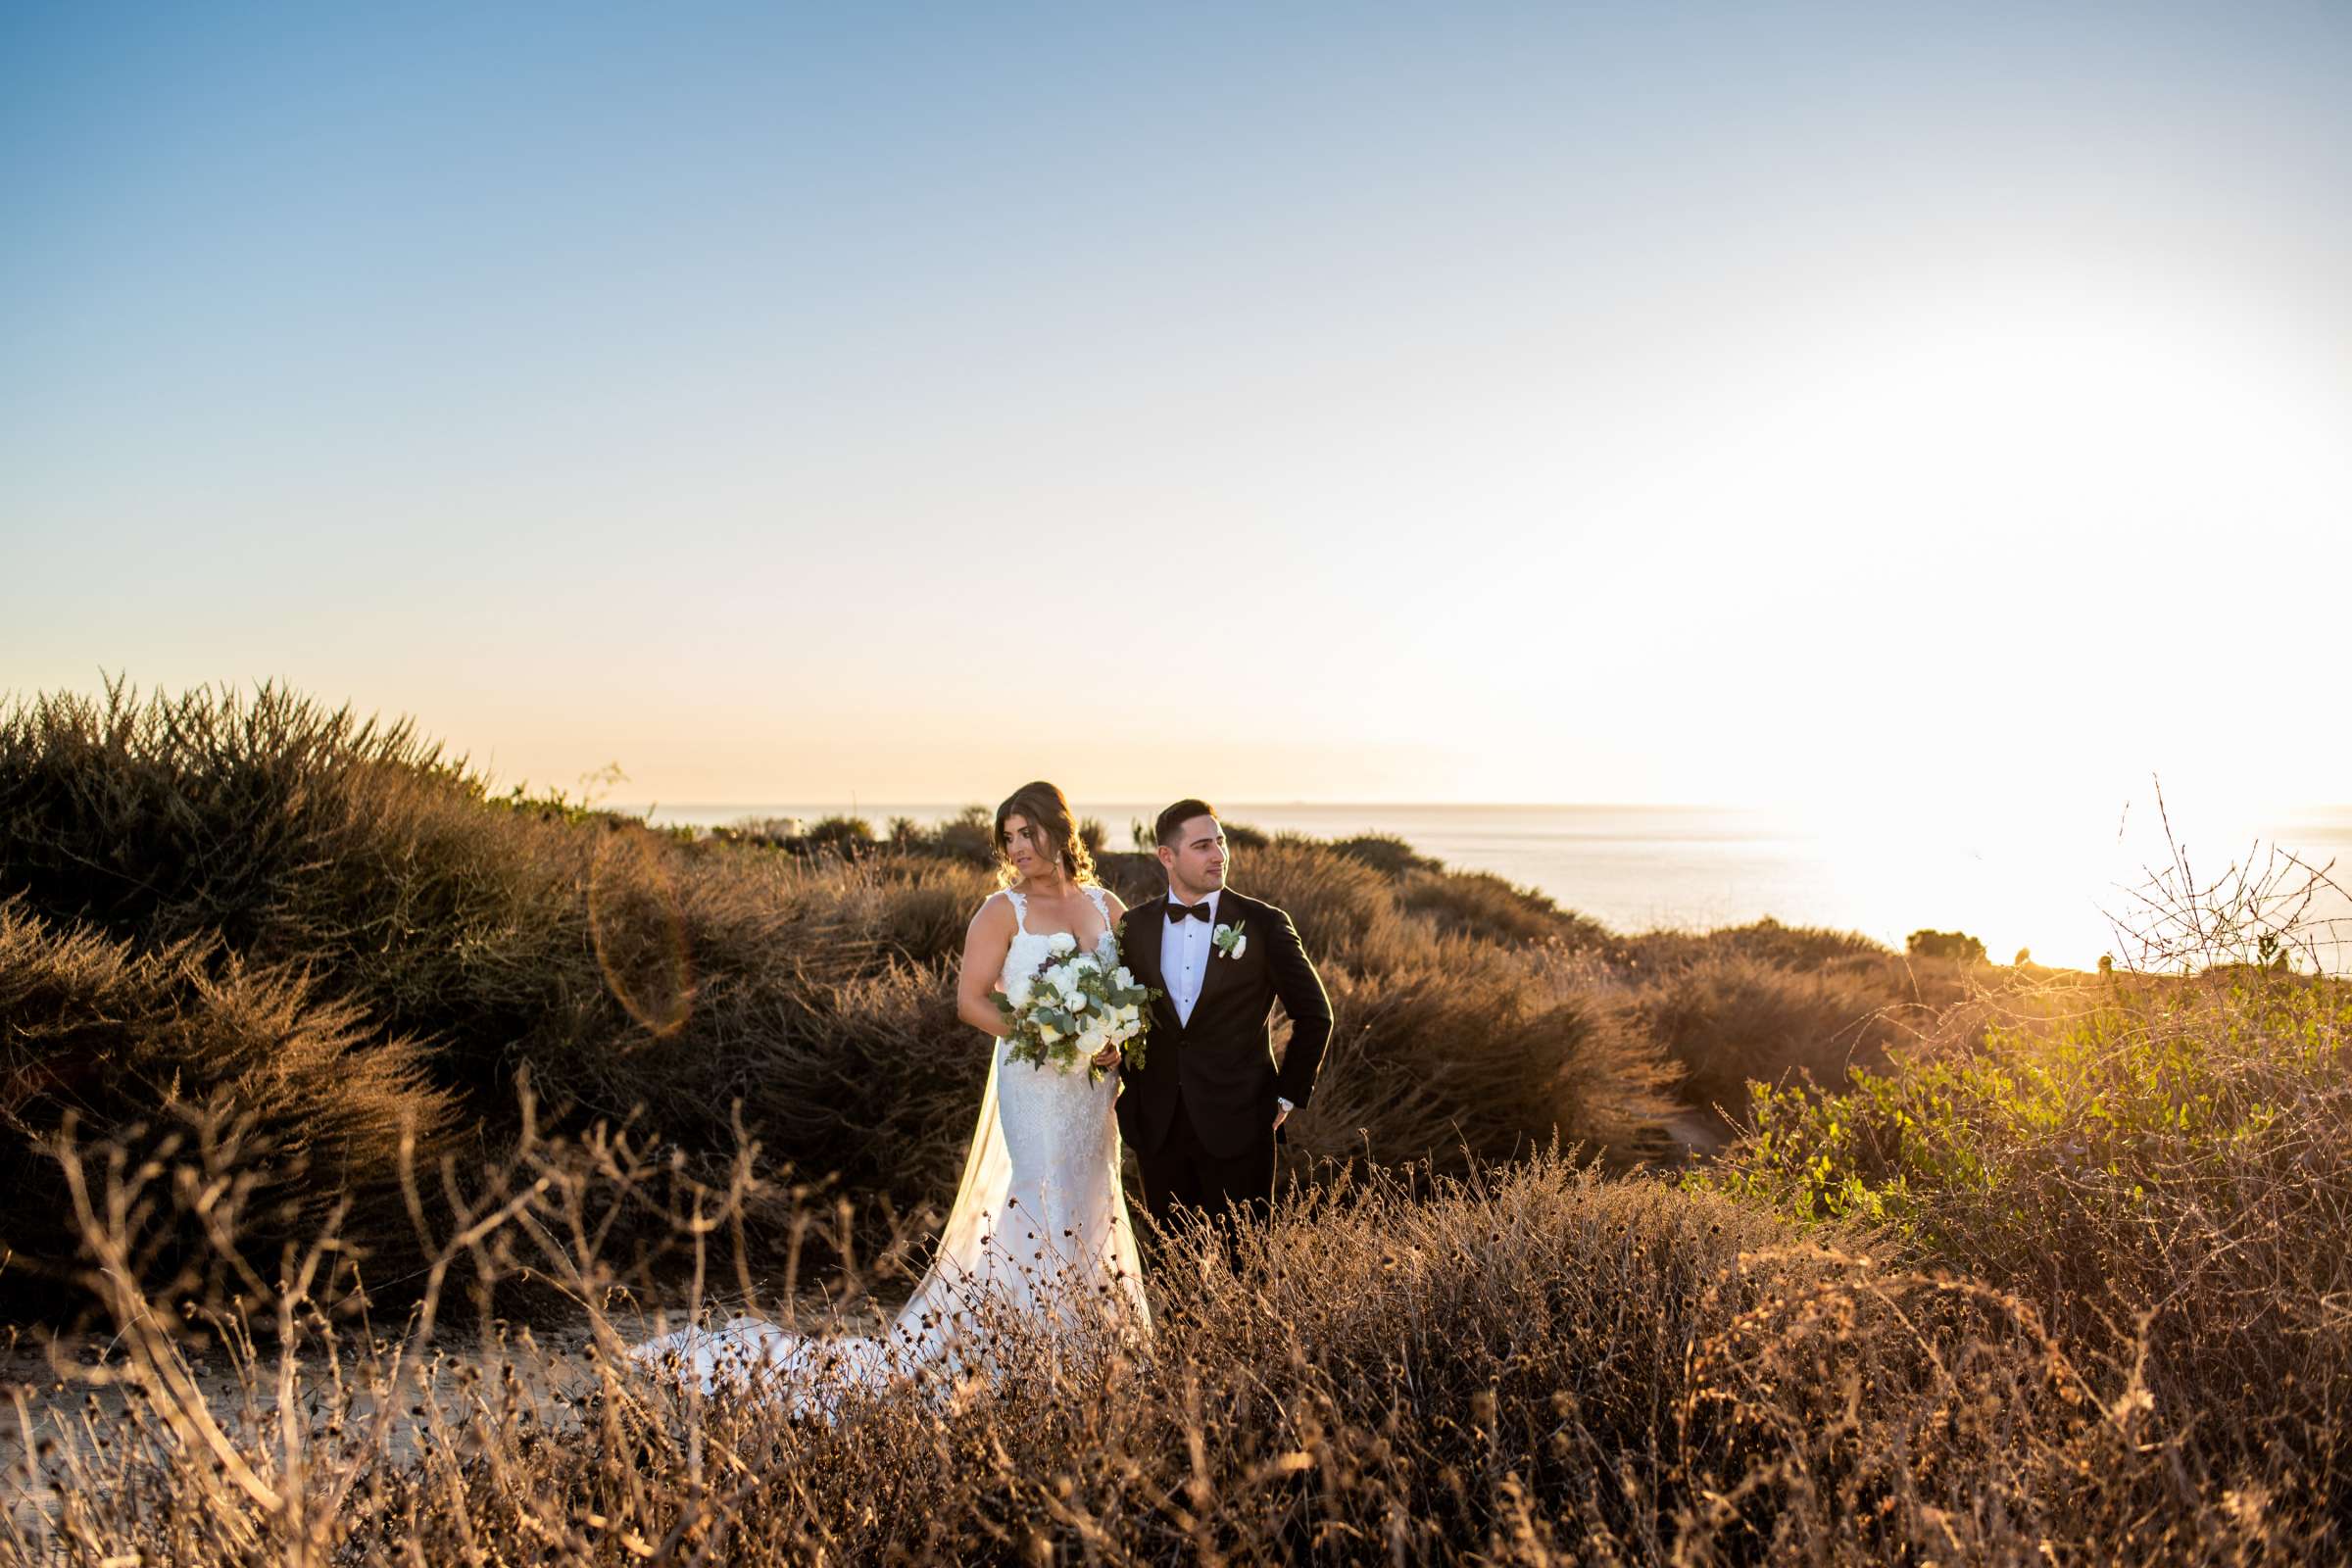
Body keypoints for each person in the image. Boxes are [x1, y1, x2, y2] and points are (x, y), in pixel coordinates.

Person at [629, 781, 1152, 1412]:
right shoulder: (999, 910)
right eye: (1008, 837)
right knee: (1041, 1191)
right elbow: (971, 1002)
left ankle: (1088, 1348)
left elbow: (1133, 987)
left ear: (1060, 830)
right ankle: (1023, 1346)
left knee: (1092, 1190)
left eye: (1028, 833)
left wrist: (1111, 1039)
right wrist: (1053, 1032)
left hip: (1092, 1089)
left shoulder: (1106, 905)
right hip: (1035, 1078)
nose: (1018, 848)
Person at [1115, 799, 1333, 1261]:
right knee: (1174, 1270)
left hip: (1241, 1124)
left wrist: (1287, 1095)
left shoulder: (1265, 924)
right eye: (1202, 845)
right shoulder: (1135, 926)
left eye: (1221, 841)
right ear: (1166, 857)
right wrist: (1122, 1073)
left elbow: (1315, 1015)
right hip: (1159, 1127)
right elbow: (1125, 1012)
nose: (1219, 854)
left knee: (1246, 1270)